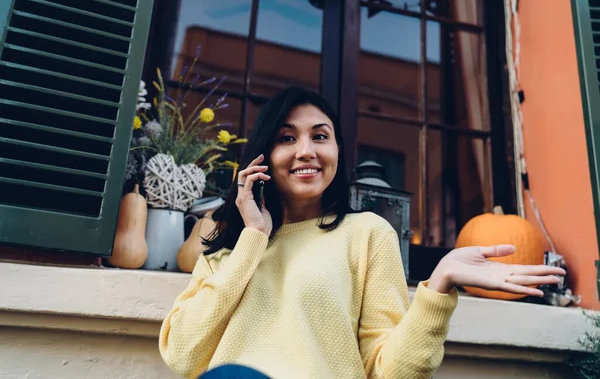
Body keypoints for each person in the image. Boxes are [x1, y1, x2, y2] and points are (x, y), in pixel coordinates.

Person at [159, 87, 565, 379]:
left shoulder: (366, 234)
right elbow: (182, 355)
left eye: (320, 136)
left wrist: (437, 286)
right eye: (287, 138)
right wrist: (252, 238)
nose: (306, 150)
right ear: (262, 158)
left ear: (337, 152)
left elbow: (388, 372)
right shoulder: (223, 257)